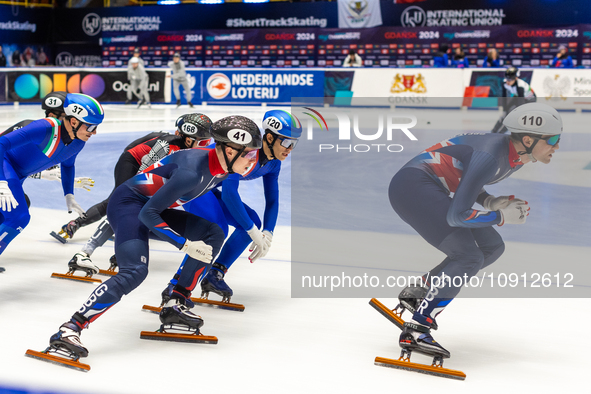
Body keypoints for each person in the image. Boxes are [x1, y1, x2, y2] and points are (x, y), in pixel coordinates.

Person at [45, 115, 262, 362]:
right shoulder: (192, 170)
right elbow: (148, 213)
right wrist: (185, 244)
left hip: (151, 206)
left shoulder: (221, 169)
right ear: (230, 150)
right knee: (135, 271)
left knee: (213, 233)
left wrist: (252, 229)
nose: (253, 162)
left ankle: (175, 302)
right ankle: (70, 328)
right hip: (129, 206)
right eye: (250, 155)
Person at [389, 103, 562, 361]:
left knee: (492, 247)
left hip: (429, 186)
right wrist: (501, 216)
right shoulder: (492, 155)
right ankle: (417, 328)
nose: (557, 146)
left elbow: (465, 176)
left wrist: (490, 201)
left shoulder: (517, 155)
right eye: (553, 139)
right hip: (412, 187)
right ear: (528, 139)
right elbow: (456, 216)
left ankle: (421, 292)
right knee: (468, 256)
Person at [166, 110, 301, 303]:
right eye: (287, 142)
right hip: (192, 185)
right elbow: (229, 194)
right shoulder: (244, 150)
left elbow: (272, 200)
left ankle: (214, 274)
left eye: (294, 144)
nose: (290, 149)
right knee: (217, 228)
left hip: (208, 187)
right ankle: (176, 285)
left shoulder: (273, 163)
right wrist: (253, 231)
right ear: (269, 137)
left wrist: (268, 232)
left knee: (252, 219)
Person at [60, 113, 213, 276]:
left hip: (145, 165)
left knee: (138, 210)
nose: (204, 146)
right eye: (202, 142)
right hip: (132, 162)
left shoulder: (184, 149)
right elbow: (143, 172)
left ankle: (120, 249)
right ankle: (84, 252)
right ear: (188, 138)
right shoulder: (167, 146)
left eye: (207, 143)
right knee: (120, 205)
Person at [0, 93, 103, 258]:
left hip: (18, 174)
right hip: (5, 165)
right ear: (74, 121)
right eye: (91, 126)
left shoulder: (78, 143)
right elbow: (1, 143)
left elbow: (68, 165)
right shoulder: (45, 128)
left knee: (3, 216)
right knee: (19, 217)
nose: (95, 132)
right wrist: (1, 181)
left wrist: (69, 195)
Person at [492, 66, 537, 134]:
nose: (508, 82)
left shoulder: (520, 86)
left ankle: (500, 133)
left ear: (516, 78)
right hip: (517, 96)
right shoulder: (505, 83)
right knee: (505, 114)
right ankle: (493, 132)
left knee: (513, 117)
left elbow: (520, 102)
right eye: (506, 79)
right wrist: (504, 110)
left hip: (529, 99)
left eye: (510, 80)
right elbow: (504, 98)